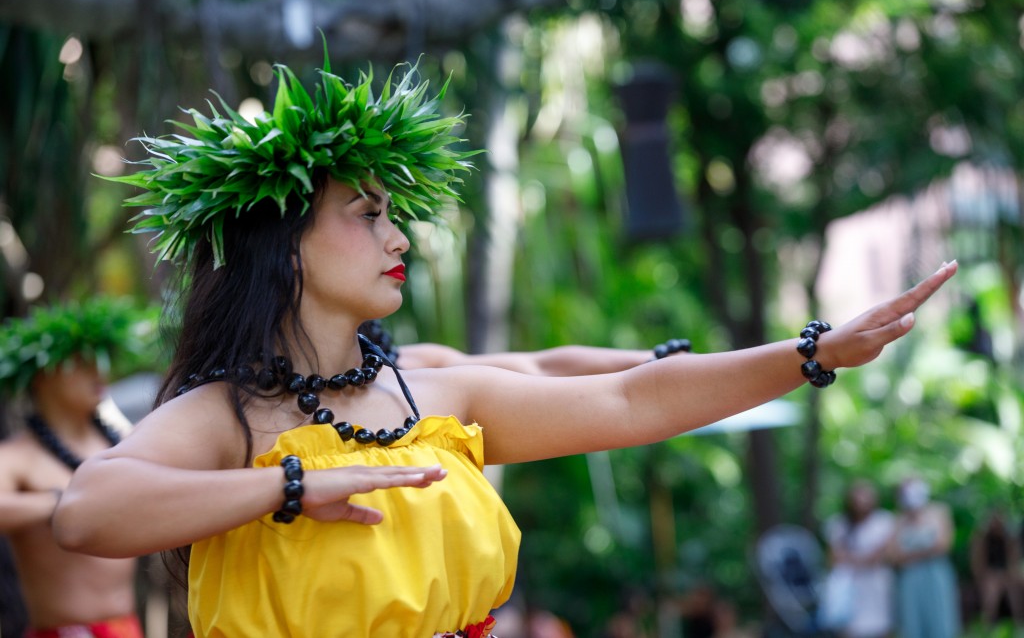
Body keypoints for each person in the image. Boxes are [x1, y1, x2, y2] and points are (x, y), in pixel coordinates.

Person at [52, 57, 957, 637]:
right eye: (367, 215)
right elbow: (88, 510)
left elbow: (626, 400)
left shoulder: (428, 397)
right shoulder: (231, 418)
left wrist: (811, 353)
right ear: (282, 242)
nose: (398, 237)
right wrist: (290, 485)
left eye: (394, 216)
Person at [0, 298, 146, 638]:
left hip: (127, 628)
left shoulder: (127, 440)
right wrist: (61, 501)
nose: (99, 371)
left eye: (102, 357)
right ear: (41, 376)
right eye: (81, 360)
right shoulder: (16, 456)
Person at [359, 318, 692, 375]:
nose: (400, 242)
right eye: (368, 215)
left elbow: (540, 367)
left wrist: (651, 358)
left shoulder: (416, 366)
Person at [819, 480, 895, 638]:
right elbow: (833, 558)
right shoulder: (839, 524)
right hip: (848, 589)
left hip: (877, 586)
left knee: (879, 626)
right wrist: (862, 559)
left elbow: (884, 554)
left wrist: (851, 558)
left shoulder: (884, 521)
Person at [888, 477, 960, 638]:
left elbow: (944, 545)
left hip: (936, 575)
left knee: (940, 619)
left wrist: (911, 555)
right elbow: (893, 556)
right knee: (912, 621)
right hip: (910, 579)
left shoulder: (939, 511)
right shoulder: (899, 519)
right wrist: (926, 551)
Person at [970, 509, 1023, 624]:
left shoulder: (1008, 539)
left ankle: (1018, 621)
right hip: (990, 574)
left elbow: (1014, 562)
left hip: (1007, 574)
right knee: (992, 590)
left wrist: (1009, 575)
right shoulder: (982, 539)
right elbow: (978, 564)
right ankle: (988, 622)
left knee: (1015, 588)